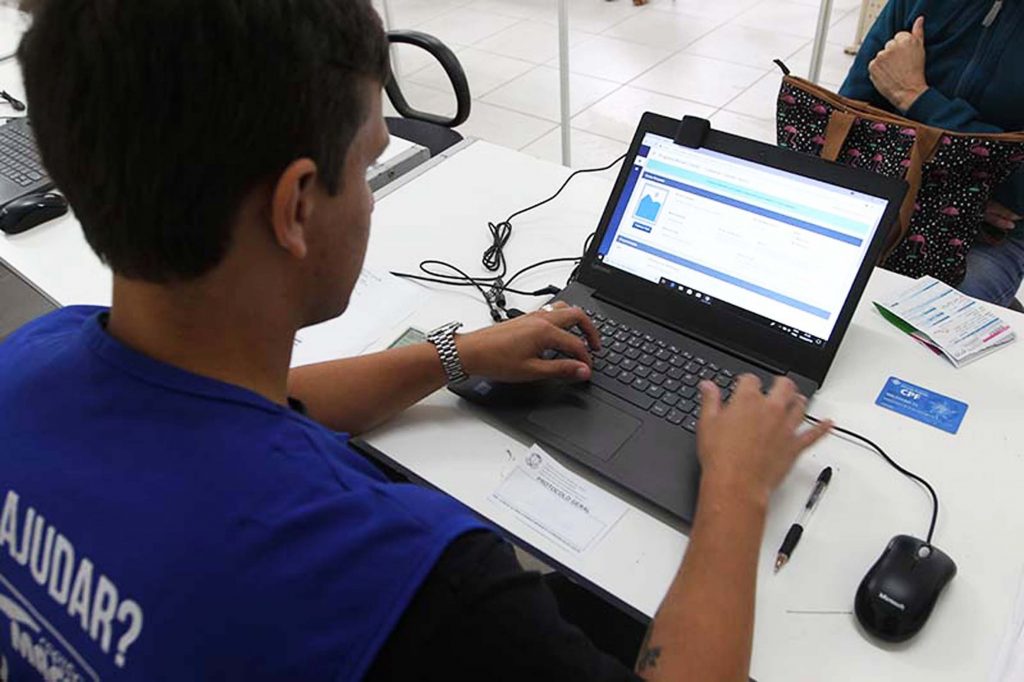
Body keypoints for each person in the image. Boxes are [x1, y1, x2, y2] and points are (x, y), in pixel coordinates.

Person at [0, 0, 830, 679]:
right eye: (367, 166)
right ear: (296, 208)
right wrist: (735, 491)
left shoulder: (31, 363)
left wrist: (456, 354)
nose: (370, 197)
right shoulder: (410, 585)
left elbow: (251, 406)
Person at [840, 0, 1024, 308]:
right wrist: (976, 178)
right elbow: (850, 113)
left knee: (926, 318)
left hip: (984, 235)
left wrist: (913, 96)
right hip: (884, 195)